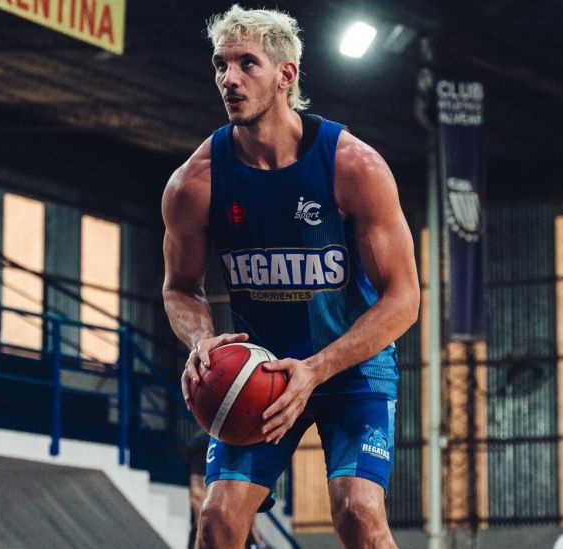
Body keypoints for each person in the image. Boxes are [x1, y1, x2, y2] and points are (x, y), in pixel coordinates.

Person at [162, 4, 419, 548]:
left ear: (286, 75)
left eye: (246, 64)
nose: (229, 79)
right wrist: (202, 341)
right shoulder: (195, 182)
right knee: (217, 520)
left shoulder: (354, 167)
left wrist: (316, 368)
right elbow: (180, 288)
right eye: (221, 65)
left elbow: (403, 298)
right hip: (259, 372)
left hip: (350, 368)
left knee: (358, 513)